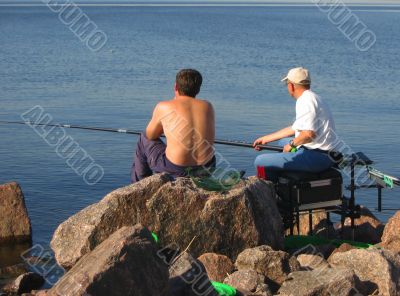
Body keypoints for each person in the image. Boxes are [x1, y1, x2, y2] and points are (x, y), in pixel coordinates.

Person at [253, 67, 337, 182]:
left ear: (291, 86)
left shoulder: (304, 101)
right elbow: (295, 128)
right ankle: (284, 173)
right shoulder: (314, 97)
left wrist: (291, 146)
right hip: (327, 153)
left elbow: (308, 134)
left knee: (260, 161)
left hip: (319, 157)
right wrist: (266, 139)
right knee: (282, 142)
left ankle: (273, 191)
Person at [131, 69, 216, 183]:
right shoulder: (208, 106)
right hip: (206, 167)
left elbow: (151, 135)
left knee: (143, 138)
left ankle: (140, 185)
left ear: (175, 86)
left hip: (176, 168)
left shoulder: (164, 106)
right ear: (198, 89)